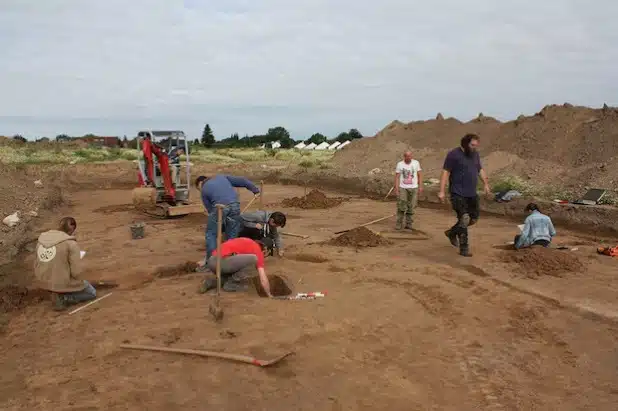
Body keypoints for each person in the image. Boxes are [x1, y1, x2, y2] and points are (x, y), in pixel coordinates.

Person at [439, 134, 491, 257]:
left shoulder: (475, 155)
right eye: (472, 145)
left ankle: (452, 232)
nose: (474, 148)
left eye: (476, 146)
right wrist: (441, 191)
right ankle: (464, 248)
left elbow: (480, 169)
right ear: (465, 143)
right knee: (464, 218)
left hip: (472, 194)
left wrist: (486, 184)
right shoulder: (454, 154)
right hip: (457, 193)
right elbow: (445, 172)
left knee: (473, 219)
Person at [33, 217, 96, 311]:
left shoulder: (41, 240)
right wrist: (82, 281)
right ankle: (63, 298)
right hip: (59, 281)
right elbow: (76, 272)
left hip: (42, 279)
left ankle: (56, 291)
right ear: (72, 229)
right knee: (91, 292)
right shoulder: (70, 244)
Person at [195, 174, 261, 262]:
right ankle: (231, 258)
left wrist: (220, 225)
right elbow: (243, 180)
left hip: (219, 207)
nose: (200, 190)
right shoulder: (222, 177)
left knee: (211, 234)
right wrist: (255, 190)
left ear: (200, 183)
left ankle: (211, 262)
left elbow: (211, 211)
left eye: (199, 188)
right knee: (232, 234)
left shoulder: (204, 190)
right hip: (235, 205)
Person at [199, 237, 273, 296]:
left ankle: (210, 282)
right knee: (254, 260)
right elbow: (262, 277)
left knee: (232, 275)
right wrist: (269, 294)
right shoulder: (257, 251)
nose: (265, 257)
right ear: (265, 249)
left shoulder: (248, 242)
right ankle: (231, 284)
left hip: (213, 261)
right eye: (267, 254)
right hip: (219, 261)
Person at [394, 151, 423, 230]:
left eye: (410, 156)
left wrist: (420, 186)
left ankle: (409, 223)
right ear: (404, 157)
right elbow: (397, 177)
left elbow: (419, 175)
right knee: (401, 206)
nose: (409, 157)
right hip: (403, 188)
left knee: (411, 206)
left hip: (414, 188)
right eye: (407, 156)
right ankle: (399, 223)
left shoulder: (416, 163)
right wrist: (396, 188)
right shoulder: (400, 164)